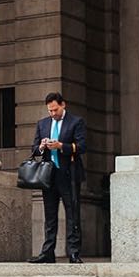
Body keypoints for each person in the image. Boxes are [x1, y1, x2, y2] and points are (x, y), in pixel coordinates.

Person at [27, 92, 86, 264]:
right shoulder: (42, 124)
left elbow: (82, 146)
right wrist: (41, 146)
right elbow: (35, 149)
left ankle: (73, 252)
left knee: (72, 214)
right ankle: (47, 253)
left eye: (55, 109)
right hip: (48, 175)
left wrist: (61, 146)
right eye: (50, 111)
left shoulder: (76, 122)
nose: (53, 113)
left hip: (69, 174)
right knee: (50, 216)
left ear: (63, 105)